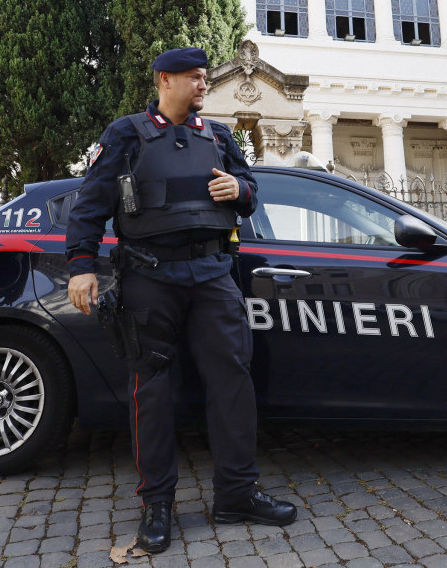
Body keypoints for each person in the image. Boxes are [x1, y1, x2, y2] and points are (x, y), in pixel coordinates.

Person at [64, 48, 298, 554]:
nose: (202, 85)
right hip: (151, 276)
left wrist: (239, 187)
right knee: (151, 390)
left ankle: (237, 493)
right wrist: (81, 266)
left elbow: (251, 191)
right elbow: (90, 204)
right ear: (163, 80)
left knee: (233, 380)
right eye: (194, 77)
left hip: (213, 274)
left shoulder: (218, 135)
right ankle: (157, 503)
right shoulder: (126, 134)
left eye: (204, 78)